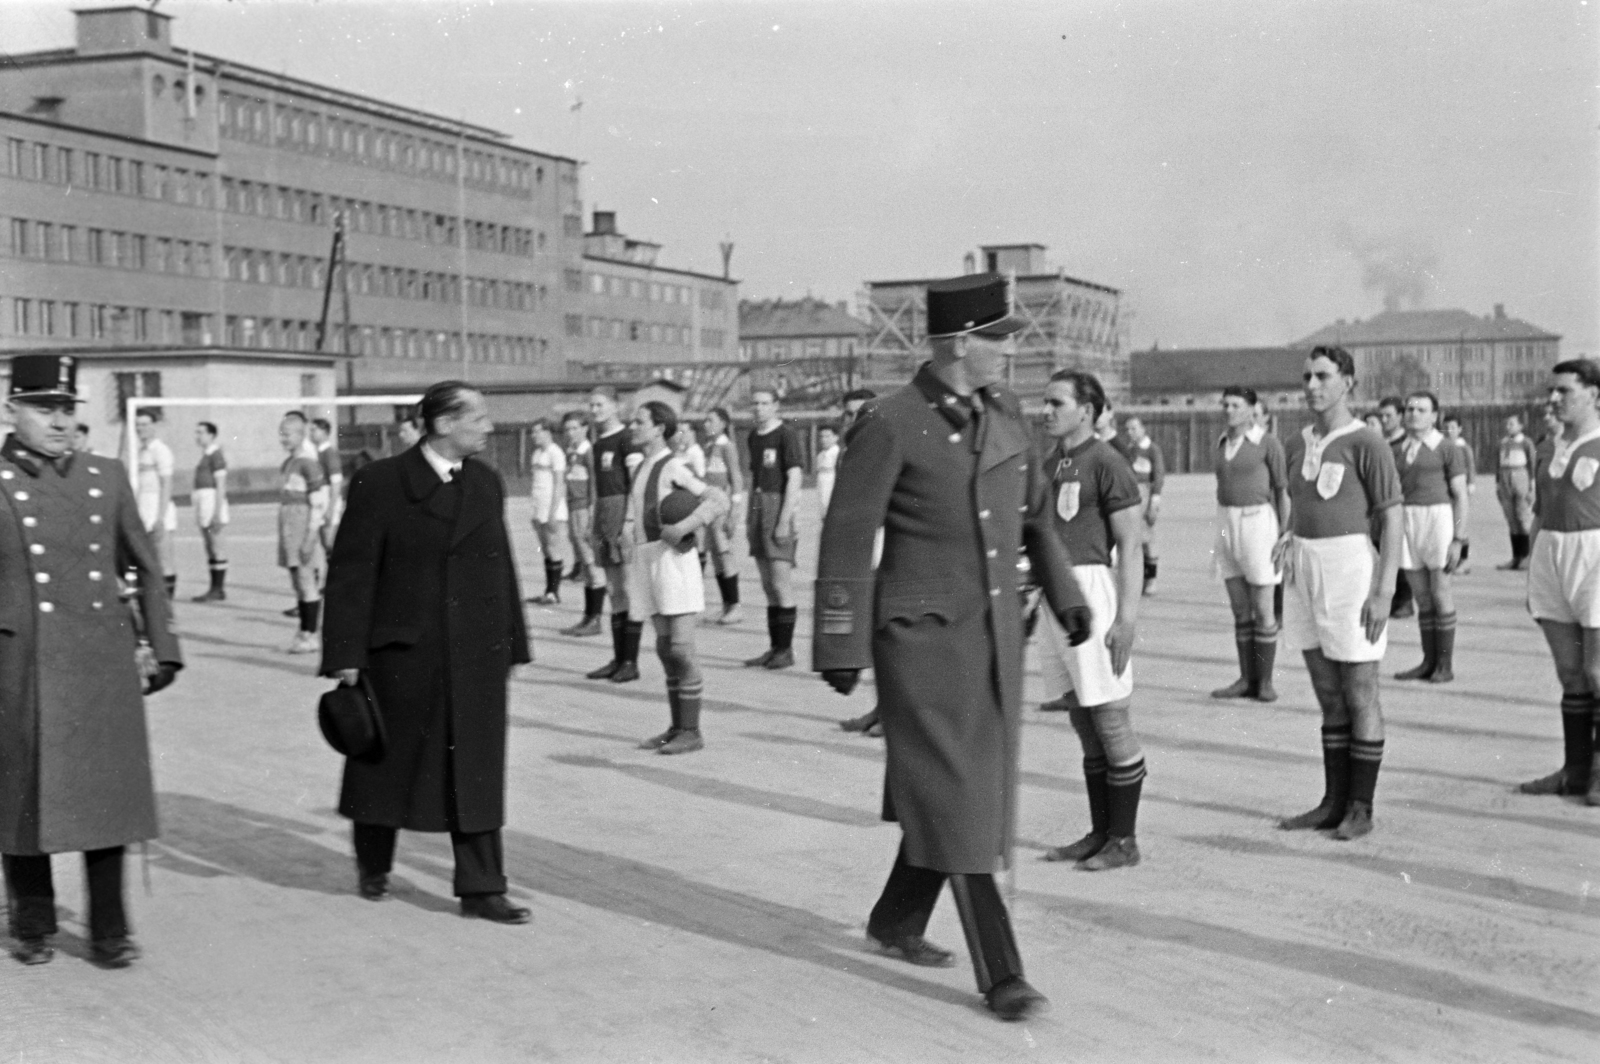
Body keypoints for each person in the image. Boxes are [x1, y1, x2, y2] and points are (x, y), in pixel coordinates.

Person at [813, 272, 1092, 1022]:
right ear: (961, 344)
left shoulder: (1004, 413)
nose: (1011, 351)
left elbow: (1034, 517)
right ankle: (1003, 974)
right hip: (921, 643)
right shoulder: (891, 421)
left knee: (958, 794)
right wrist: (841, 641)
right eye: (999, 339)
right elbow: (847, 533)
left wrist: (1068, 597)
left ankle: (896, 920)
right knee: (963, 796)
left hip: (995, 636)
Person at [322, 381, 533, 920]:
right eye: (479, 417)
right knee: (387, 762)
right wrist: (346, 652)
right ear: (442, 424)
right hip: (402, 652)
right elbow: (351, 571)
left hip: (476, 652)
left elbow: (499, 566)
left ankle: (483, 887)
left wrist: (511, 644)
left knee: (478, 768)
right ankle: (374, 864)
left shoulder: (486, 482)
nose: (489, 426)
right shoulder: (381, 482)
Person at [1, 353, 181, 968]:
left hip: (99, 663)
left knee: (107, 800)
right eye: (43, 408)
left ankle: (110, 930)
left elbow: (146, 565)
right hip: (19, 663)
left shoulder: (107, 475)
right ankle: (33, 922)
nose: (57, 421)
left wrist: (164, 647)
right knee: (22, 799)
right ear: (12, 409)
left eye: (66, 409)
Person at [1276, 347, 1403, 840]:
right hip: (1304, 567)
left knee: (1360, 689)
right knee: (1327, 692)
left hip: (1350, 568)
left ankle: (1361, 807)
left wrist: (1384, 588)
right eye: (1306, 375)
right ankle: (1332, 800)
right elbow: (1299, 500)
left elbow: (1392, 514)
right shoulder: (1296, 441)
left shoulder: (1366, 441)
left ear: (1347, 381)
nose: (1311, 385)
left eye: (1323, 376)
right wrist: (1289, 533)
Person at [1034, 370, 1148, 871]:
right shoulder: (1049, 463)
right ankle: (1101, 831)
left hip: (1095, 595)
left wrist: (1126, 619)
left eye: (1057, 403)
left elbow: (1132, 548)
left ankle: (1124, 840)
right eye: (1045, 402)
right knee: (1082, 718)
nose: (1047, 411)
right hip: (1055, 599)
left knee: (1110, 717)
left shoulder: (1108, 462)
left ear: (1087, 409)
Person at [624, 402, 729, 755]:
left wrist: (684, 526)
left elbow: (718, 499)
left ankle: (693, 730)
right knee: (666, 648)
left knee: (682, 648)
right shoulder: (640, 467)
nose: (633, 426)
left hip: (674, 561)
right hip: (646, 558)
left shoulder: (674, 465)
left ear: (658, 428)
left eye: (639, 421)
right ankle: (676, 726)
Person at [1521, 359, 1600, 806]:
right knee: (1569, 673)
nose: (1554, 399)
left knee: (1596, 671)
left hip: (1595, 557)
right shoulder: (1547, 449)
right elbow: (1538, 515)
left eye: (1565, 391)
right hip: (1553, 554)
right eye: (1552, 391)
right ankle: (1575, 770)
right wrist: (1534, 567)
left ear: (1593, 395)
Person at [1209, 385, 1290, 702]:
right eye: (1225, 404)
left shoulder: (1267, 443)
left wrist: (1285, 534)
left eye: (1236, 405)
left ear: (1250, 409)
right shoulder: (1221, 443)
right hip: (1226, 523)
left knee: (1263, 608)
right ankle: (1245, 678)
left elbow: (1283, 491)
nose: (1229, 410)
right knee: (1240, 609)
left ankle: (1265, 682)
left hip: (1258, 522)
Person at [1392, 392, 1470, 684]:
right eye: (1409, 409)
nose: (1413, 414)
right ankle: (1428, 660)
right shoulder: (1398, 449)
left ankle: (1445, 665)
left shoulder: (1447, 447)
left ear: (1435, 415)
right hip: (1408, 521)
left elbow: (1461, 495)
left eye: (1421, 409)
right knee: (1422, 597)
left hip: (1438, 520)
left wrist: (1458, 539)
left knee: (1440, 593)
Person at [578, 386, 644, 680]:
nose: (595, 411)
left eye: (600, 404)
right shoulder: (596, 443)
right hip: (603, 513)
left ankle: (631, 662)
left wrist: (629, 519)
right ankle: (618, 658)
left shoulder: (626, 438)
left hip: (622, 512)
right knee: (614, 590)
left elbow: (636, 482)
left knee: (628, 588)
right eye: (591, 406)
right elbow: (596, 485)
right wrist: (593, 519)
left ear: (616, 406)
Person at [834, 389, 887, 739]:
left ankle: (892, 714)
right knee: (869, 637)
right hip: (857, 550)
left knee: (887, 636)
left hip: (884, 547)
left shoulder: (886, 450)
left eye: (861, 413)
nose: (854, 420)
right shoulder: (844, 454)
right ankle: (879, 708)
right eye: (849, 414)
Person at [744, 388, 805, 669]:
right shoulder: (753, 436)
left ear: (776, 406)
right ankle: (774, 647)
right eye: (755, 403)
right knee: (767, 585)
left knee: (781, 584)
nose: (759, 408)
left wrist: (784, 519)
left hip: (777, 507)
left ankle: (787, 649)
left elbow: (794, 479)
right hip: (757, 507)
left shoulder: (786, 435)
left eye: (765, 403)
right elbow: (755, 478)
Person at [277, 411, 327, 655]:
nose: (283, 439)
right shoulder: (288, 463)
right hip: (287, 525)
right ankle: (304, 630)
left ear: (300, 435)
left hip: (302, 525)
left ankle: (311, 634)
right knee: (297, 581)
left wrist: (309, 538)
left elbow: (319, 504)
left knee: (307, 581)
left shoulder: (308, 463)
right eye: (281, 434)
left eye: (287, 434)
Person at [700, 407, 745, 625]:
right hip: (708, 506)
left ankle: (735, 605)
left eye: (710, 420)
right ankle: (726, 605)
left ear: (723, 423)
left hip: (722, 505)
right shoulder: (708, 446)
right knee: (716, 557)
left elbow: (736, 478)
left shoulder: (727, 447)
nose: (706, 424)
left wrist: (735, 509)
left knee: (724, 553)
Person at [560, 412, 605, 627]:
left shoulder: (589, 450)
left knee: (590, 560)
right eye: (567, 429)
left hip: (584, 509)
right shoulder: (571, 450)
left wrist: (592, 511)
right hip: (572, 506)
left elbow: (595, 485)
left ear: (585, 428)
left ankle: (595, 617)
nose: (571, 433)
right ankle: (588, 616)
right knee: (583, 562)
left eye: (575, 428)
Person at [1113, 415, 1164, 596]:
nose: (1130, 433)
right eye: (1127, 429)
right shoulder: (1128, 450)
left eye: (1134, 428)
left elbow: (1158, 475)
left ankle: (1151, 580)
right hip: (1130, 495)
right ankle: (1137, 579)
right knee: (1132, 538)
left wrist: (1154, 501)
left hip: (1145, 494)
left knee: (1148, 539)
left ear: (1143, 429)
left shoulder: (1152, 449)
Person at [1376, 396, 1416, 620]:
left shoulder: (1407, 444)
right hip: (1380, 506)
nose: (1384, 420)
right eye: (1381, 416)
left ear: (1400, 417)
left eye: (1388, 415)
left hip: (1401, 506)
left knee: (1401, 553)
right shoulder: (1380, 443)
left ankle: (1405, 601)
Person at [133, 409, 177, 600]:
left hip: (159, 510)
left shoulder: (161, 450)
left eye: (144, 424)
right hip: (143, 509)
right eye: (138, 424)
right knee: (147, 560)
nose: (140, 428)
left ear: (154, 427)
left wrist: (160, 517)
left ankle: (168, 605)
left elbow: (167, 485)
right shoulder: (140, 451)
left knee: (164, 560)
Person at [526, 419, 569, 606]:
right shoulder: (536, 453)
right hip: (538, 507)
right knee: (545, 550)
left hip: (552, 508)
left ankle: (554, 593)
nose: (534, 435)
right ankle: (548, 591)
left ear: (548, 432)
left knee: (553, 548)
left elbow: (559, 484)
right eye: (532, 432)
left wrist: (552, 513)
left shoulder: (556, 452)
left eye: (538, 431)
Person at [190, 421, 230, 602]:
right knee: (209, 547)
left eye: (201, 433)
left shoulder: (216, 455)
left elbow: (221, 485)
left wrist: (217, 512)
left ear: (211, 435)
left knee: (216, 546)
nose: (197, 436)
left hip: (212, 501)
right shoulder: (205, 455)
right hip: (202, 501)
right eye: (196, 433)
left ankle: (218, 588)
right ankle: (214, 587)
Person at [1496, 413, 1538, 570]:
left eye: (1512, 424)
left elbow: (1532, 465)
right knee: (1511, 520)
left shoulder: (1526, 442)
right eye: (1507, 424)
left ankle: (1527, 557)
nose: (1509, 427)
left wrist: (1532, 487)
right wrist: (1498, 484)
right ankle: (1516, 557)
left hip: (1520, 476)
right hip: (1505, 477)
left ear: (1521, 426)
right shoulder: (1503, 443)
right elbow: (1497, 465)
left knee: (1523, 518)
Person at [1442, 413, 1476, 574]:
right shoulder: (1442, 446)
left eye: (1453, 427)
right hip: (1446, 493)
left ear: (1460, 429)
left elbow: (1470, 466)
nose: (1449, 431)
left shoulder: (1463, 447)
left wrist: (1471, 483)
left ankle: (1464, 560)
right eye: (1446, 427)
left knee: (1460, 524)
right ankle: (1451, 560)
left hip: (1460, 493)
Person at [309, 418, 345, 565]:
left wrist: (331, 508)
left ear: (324, 432)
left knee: (330, 542)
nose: (310, 434)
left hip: (328, 499)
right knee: (325, 543)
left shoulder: (329, 453)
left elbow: (336, 483)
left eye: (314, 430)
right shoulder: (316, 452)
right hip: (319, 500)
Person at [815, 424, 841, 517]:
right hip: (822, 492)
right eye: (821, 436)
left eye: (827, 436)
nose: (823, 439)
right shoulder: (820, 455)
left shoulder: (838, 454)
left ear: (836, 437)